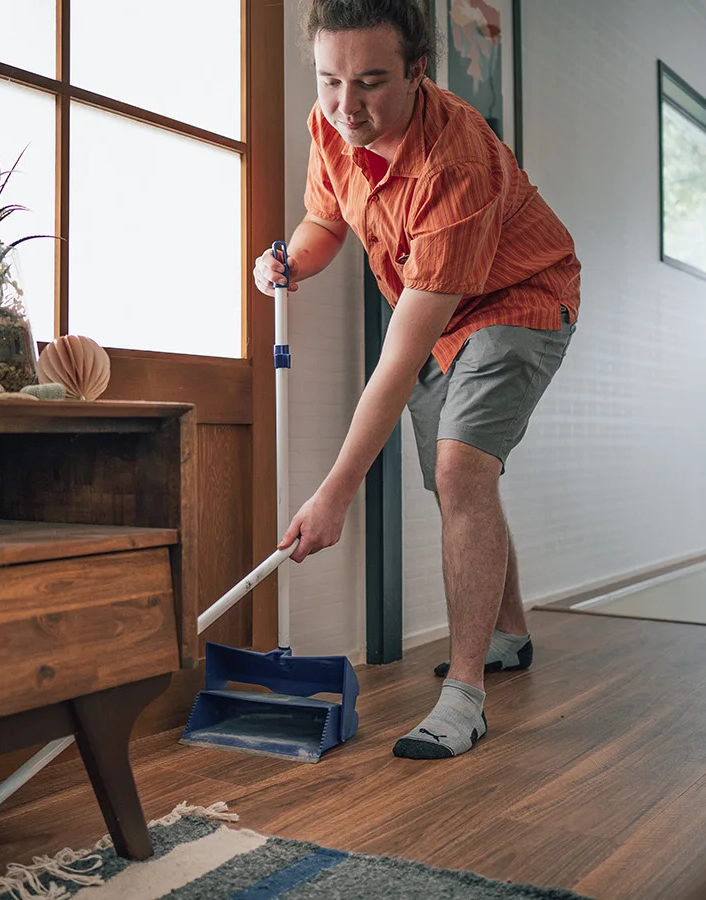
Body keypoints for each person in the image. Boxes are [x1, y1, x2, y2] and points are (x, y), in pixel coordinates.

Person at [254, 0, 580, 760]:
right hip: (438, 306)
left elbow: (397, 363)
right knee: (455, 480)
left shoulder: (454, 163)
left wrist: (334, 494)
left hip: (520, 296)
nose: (346, 105)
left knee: (461, 468)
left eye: (370, 82)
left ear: (417, 72)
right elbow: (325, 221)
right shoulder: (331, 122)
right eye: (330, 80)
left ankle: (465, 696)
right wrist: (291, 262)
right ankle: (509, 634)